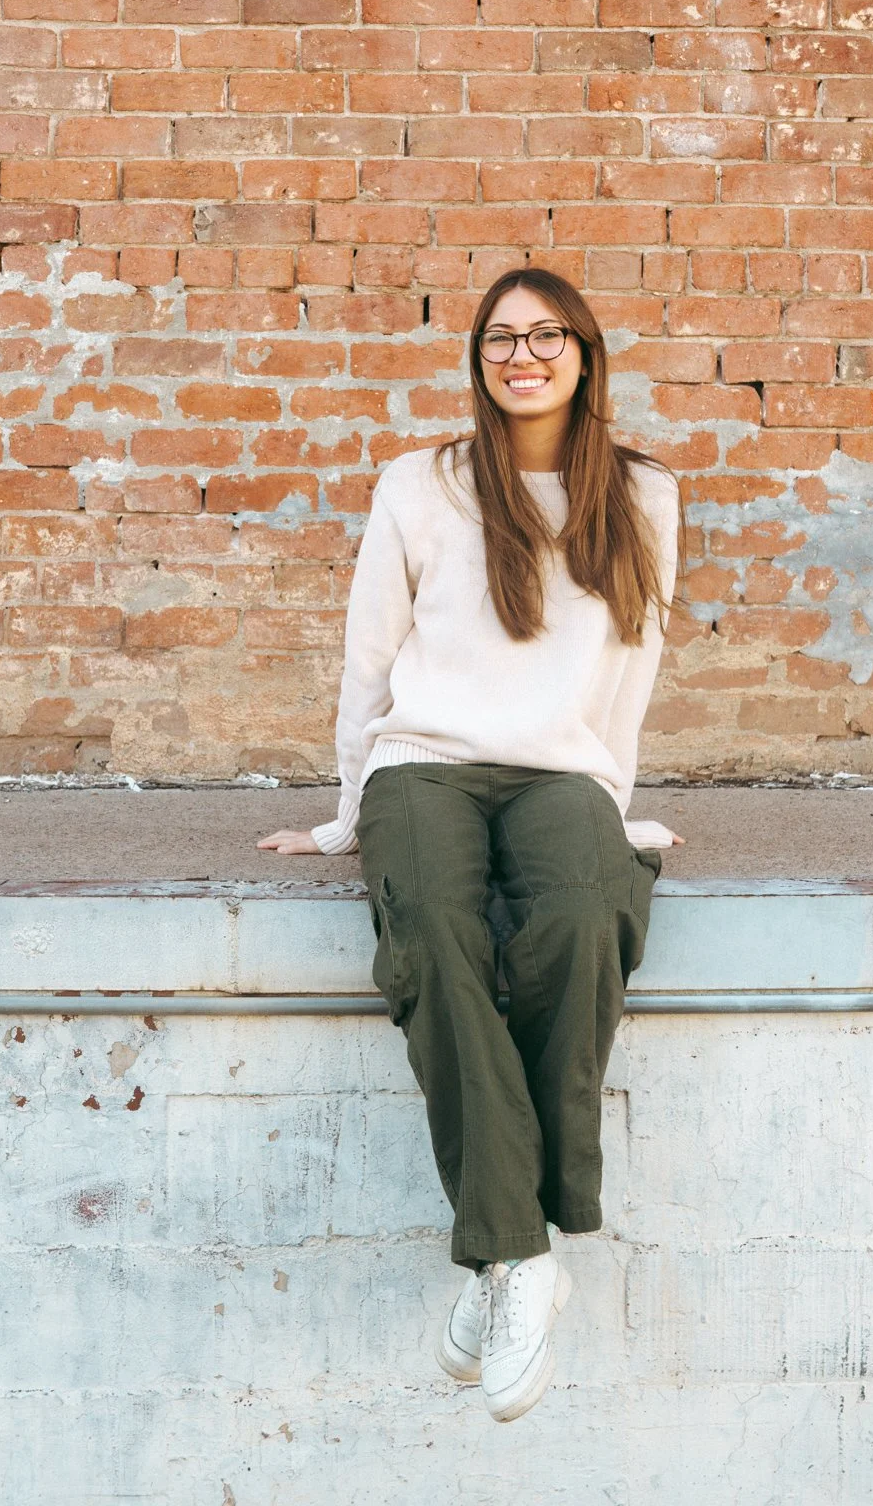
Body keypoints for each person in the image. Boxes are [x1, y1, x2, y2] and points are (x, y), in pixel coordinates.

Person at [258, 267, 684, 1422]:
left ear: (586, 354)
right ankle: (523, 1253)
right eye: (502, 336)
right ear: (478, 358)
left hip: (557, 769)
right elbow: (368, 656)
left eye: (548, 334)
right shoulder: (420, 484)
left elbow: (630, 670)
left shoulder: (643, 494)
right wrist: (350, 811)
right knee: (436, 929)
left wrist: (611, 799)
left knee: (591, 905)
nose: (524, 352)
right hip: (424, 764)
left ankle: (498, 1252)